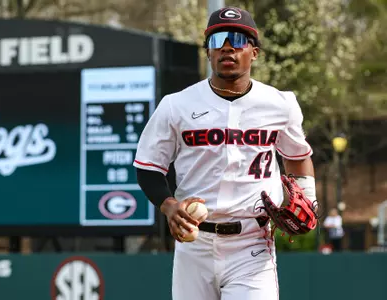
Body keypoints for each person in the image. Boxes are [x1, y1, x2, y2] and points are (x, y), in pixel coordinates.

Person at [133, 6, 317, 300]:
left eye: (238, 40)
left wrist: (309, 198)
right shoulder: (176, 105)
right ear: (208, 52)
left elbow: (297, 155)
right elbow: (148, 166)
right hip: (194, 243)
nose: (227, 48)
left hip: (252, 243)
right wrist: (168, 205)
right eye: (218, 41)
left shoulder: (280, 104)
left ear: (254, 52)